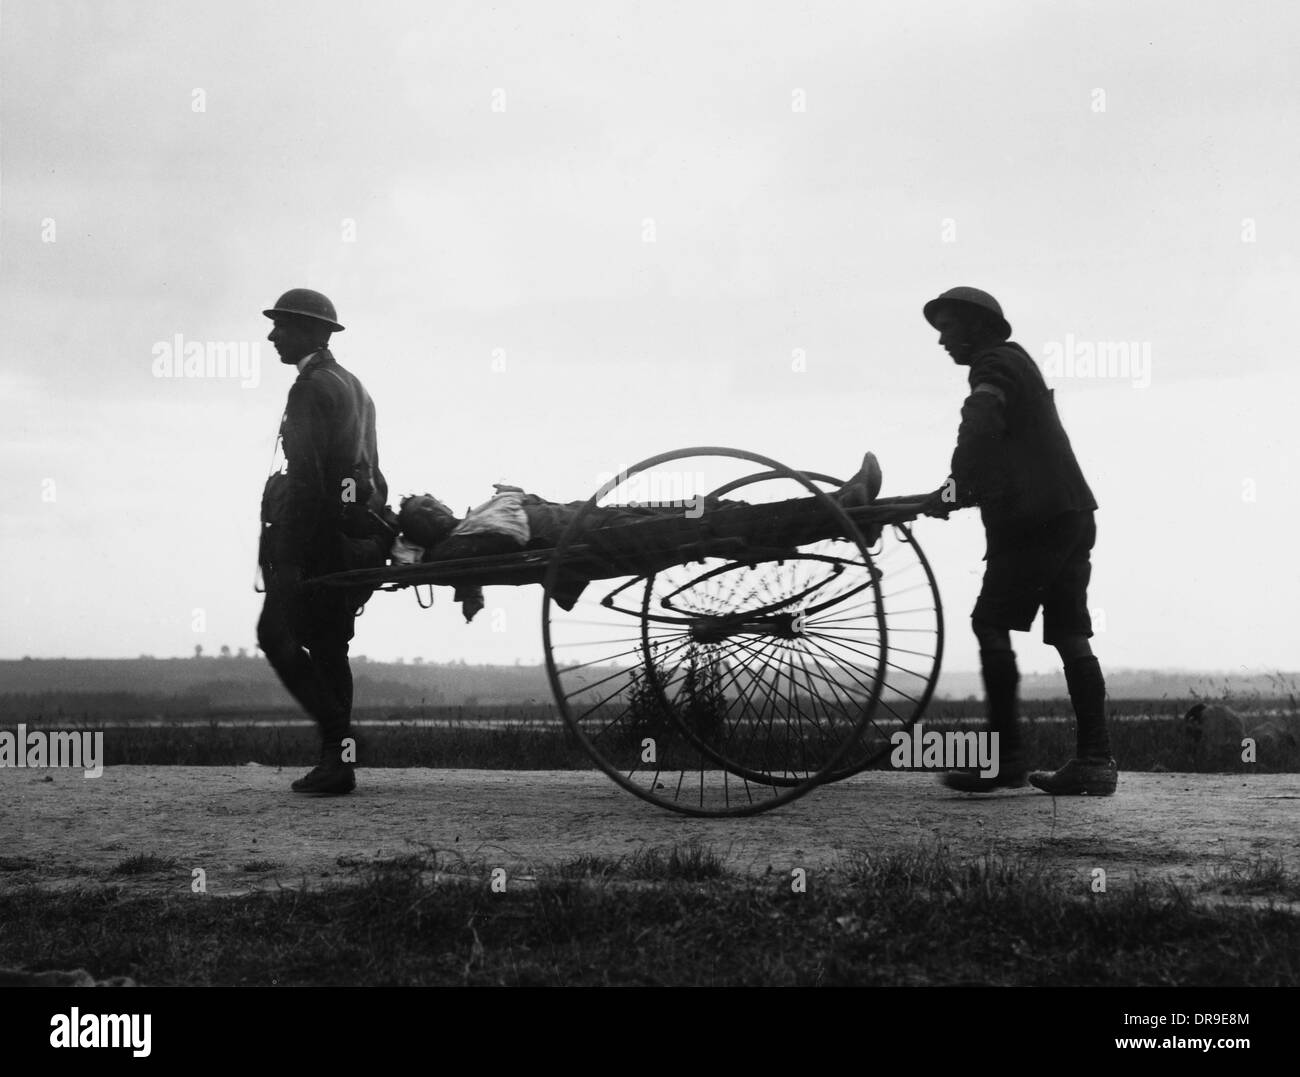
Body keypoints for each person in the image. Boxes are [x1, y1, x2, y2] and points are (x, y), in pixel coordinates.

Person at [919, 287, 1117, 796]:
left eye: (948, 327)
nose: (941, 340)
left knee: (989, 623)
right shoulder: (1017, 362)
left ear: (978, 326)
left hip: (1035, 521)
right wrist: (963, 488)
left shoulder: (994, 365)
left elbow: (980, 422)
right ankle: (1095, 761)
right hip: (1071, 512)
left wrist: (954, 487)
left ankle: (1006, 759)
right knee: (1070, 632)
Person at [256, 289, 391, 796]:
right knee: (331, 647)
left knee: (276, 636)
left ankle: (340, 743)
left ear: (313, 332)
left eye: (283, 326)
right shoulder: (354, 386)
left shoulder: (310, 389)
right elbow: (367, 472)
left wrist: (291, 557)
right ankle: (339, 762)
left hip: (318, 542)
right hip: (352, 535)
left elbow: (309, 481)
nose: (273, 335)